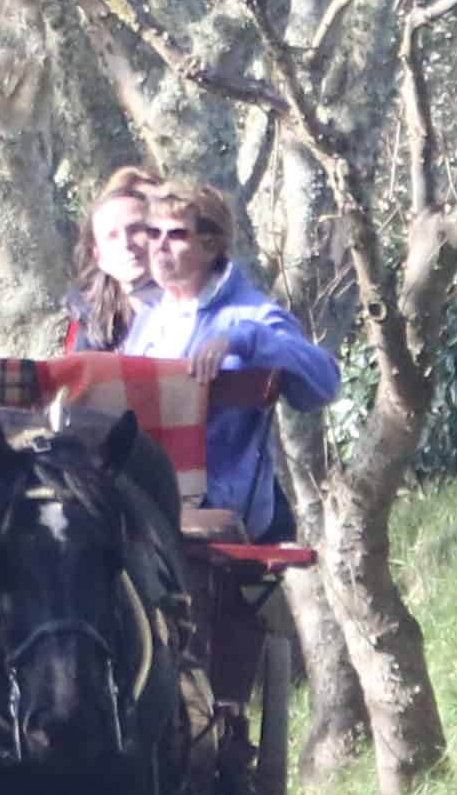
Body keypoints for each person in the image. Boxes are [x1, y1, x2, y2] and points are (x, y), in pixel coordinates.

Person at [61, 170, 336, 541]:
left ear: (209, 246)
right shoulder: (153, 319)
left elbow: (325, 383)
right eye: (152, 233)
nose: (157, 246)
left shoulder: (248, 314)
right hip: (147, 490)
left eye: (175, 235)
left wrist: (244, 340)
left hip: (216, 500)